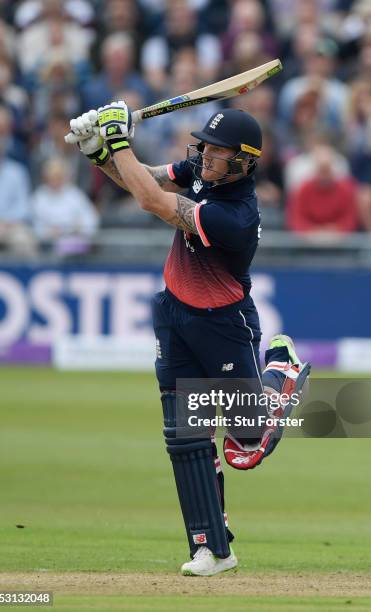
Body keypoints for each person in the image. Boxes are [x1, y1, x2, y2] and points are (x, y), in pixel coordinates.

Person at [67, 103, 310, 576]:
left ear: (243, 161)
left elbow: (151, 202)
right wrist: (100, 153)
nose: (204, 156)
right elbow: (146, 179)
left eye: (216, 152)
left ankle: (280, 373)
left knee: (244, 448)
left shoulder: (235, 216)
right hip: (175, 314)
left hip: (223, 326)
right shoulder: (202, 171)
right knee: (185, 438)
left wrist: (118, 142)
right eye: (205, 147)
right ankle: (212, 550)